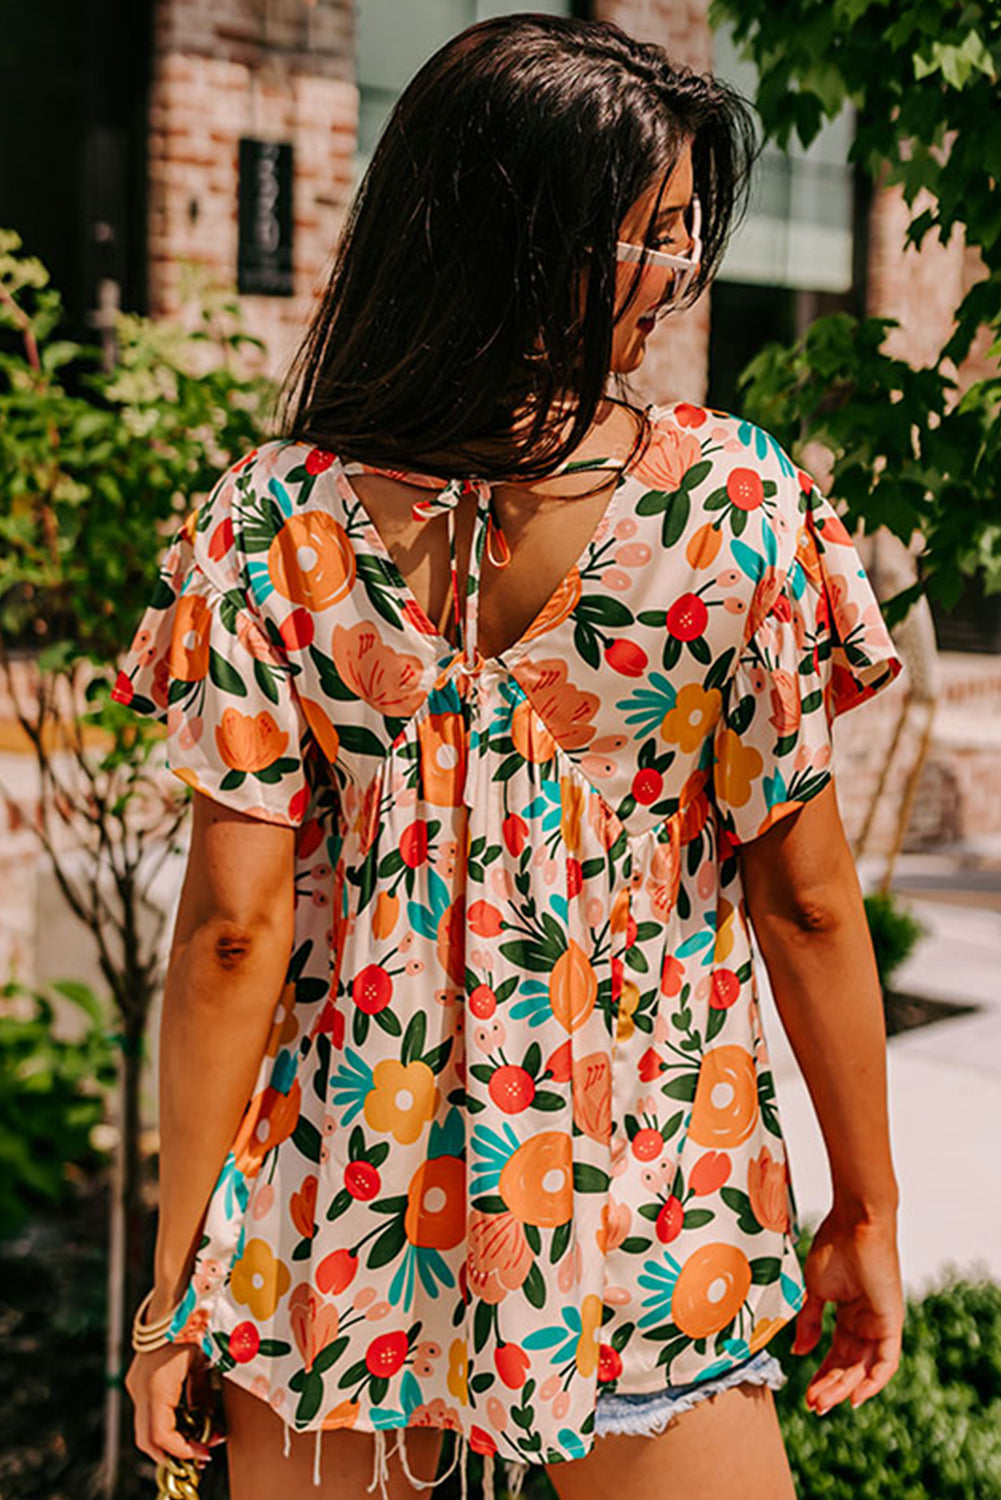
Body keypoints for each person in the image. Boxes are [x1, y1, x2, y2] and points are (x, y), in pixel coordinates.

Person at [117, 14, 906, 1500]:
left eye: (687, 238)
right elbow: (803, 903)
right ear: (524, 242)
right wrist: (861, 1208)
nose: (679, 283)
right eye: (653, 241)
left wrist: (176, 1297)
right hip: (649, 1198)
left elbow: (232, 933)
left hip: (334, 1229)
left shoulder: (265, 523)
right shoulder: (737, 510)